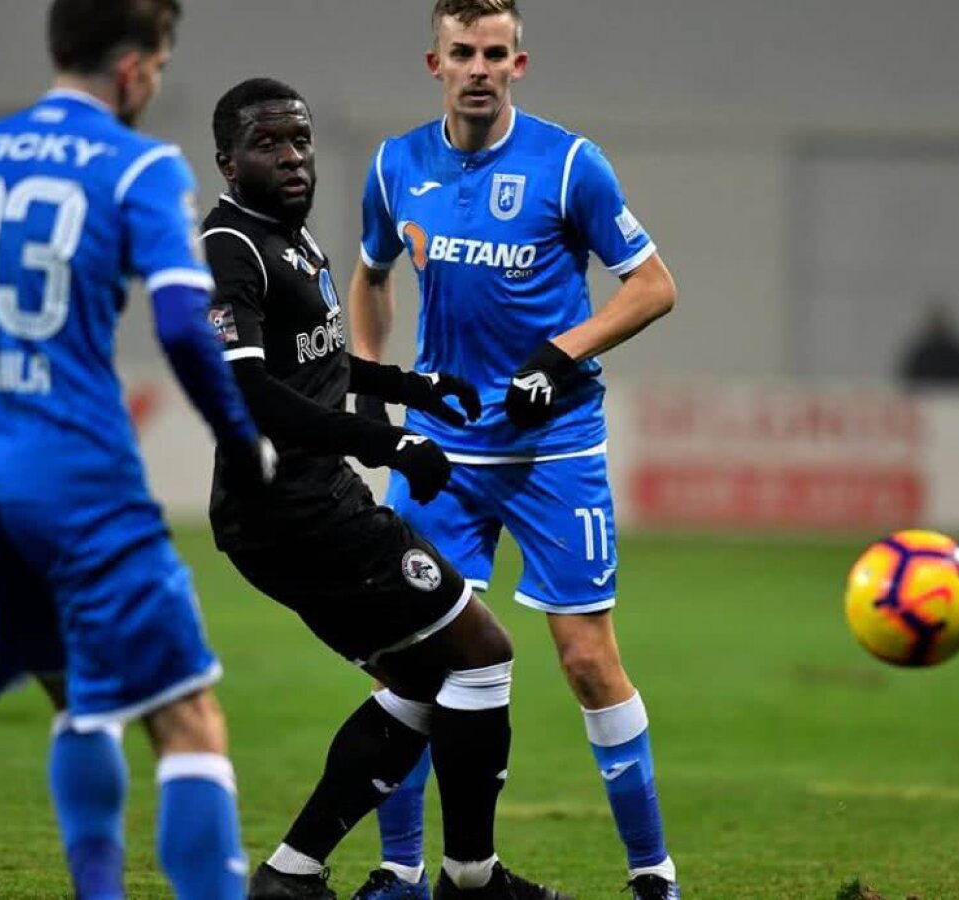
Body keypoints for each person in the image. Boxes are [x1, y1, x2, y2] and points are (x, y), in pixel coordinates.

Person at [0, 2, 277, 898]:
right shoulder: (138, 162)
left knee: (81, 702)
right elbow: (186, 325)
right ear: (136, 68)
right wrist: (240, 436)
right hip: (76, 484)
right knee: (188, 720)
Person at [201, 77, 572, 900]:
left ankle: (291, 876)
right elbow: (254, 394)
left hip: (296, 509)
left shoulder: (288, 238)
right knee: (481, 656)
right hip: (295, 510)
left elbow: (319, 365)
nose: (293, 156)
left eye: (299, 139)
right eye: (269, 144)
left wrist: (411, 386)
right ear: (227, 161)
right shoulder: (229, 247)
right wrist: (392, 443)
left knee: (418, 679)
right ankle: (472, 882)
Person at [348, 2, 680, 899]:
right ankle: (400, 873)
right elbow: (371, 274)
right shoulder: (393, 166)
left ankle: (653, 877)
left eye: (496, 52)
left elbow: (653, 287)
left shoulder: (571, 165)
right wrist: (373, 387)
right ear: (436, 63)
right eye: (464, 52)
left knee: (584, 660)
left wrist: (559, 355)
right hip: (440, 453)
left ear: (519, 64)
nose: (480, 67)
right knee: (413, 658)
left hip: (554, 449)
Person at [897, 296, 959, 391]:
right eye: (935, 321)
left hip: (956, 400)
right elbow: (908, 381)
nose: (938, 325)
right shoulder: (920, 354)